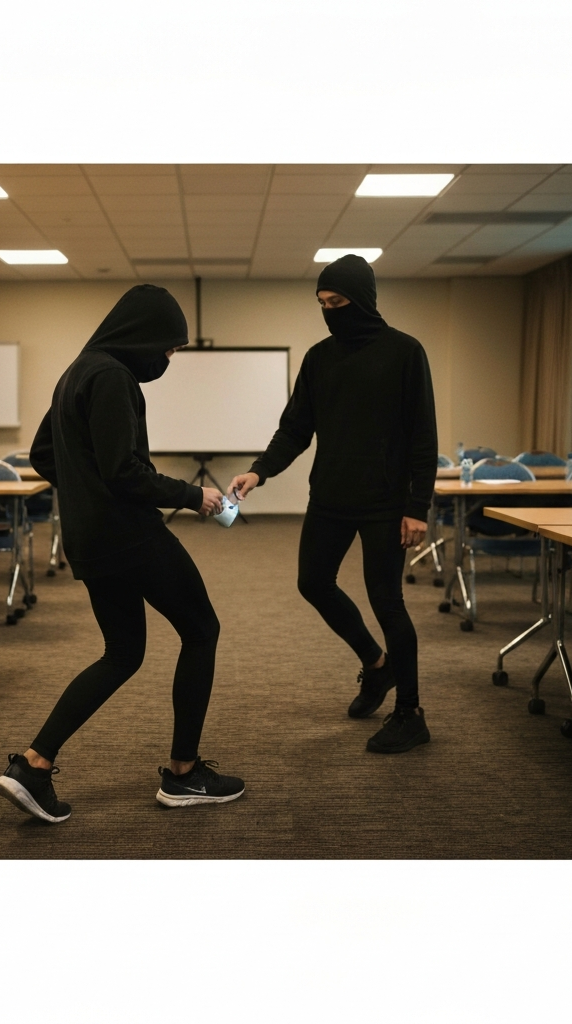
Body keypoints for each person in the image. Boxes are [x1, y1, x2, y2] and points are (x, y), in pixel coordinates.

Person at [0, 284, 245, 823]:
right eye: (169, 348)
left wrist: (85, 492)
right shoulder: (113, 377)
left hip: (92, 539)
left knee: (123, 653)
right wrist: (193, 495)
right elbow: (125, 473)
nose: (169, 358)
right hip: (131, 536)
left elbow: (43, 453)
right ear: (144, 336)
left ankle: (33, 766)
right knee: (202, 630)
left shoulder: (77, 372)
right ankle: (184, 775)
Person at [227, 254, 438, 754]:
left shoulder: (405, 352)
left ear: (361, 301)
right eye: (322, 304)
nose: (330, 311)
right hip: (330, 497)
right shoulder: (320, 358)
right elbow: (296, 427)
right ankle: (376, 664)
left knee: (387, 601)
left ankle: (410, 714)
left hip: (387, 504)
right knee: (312, 583)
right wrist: (259, 470)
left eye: (338, 302)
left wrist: (418, 506)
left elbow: (422, 437)